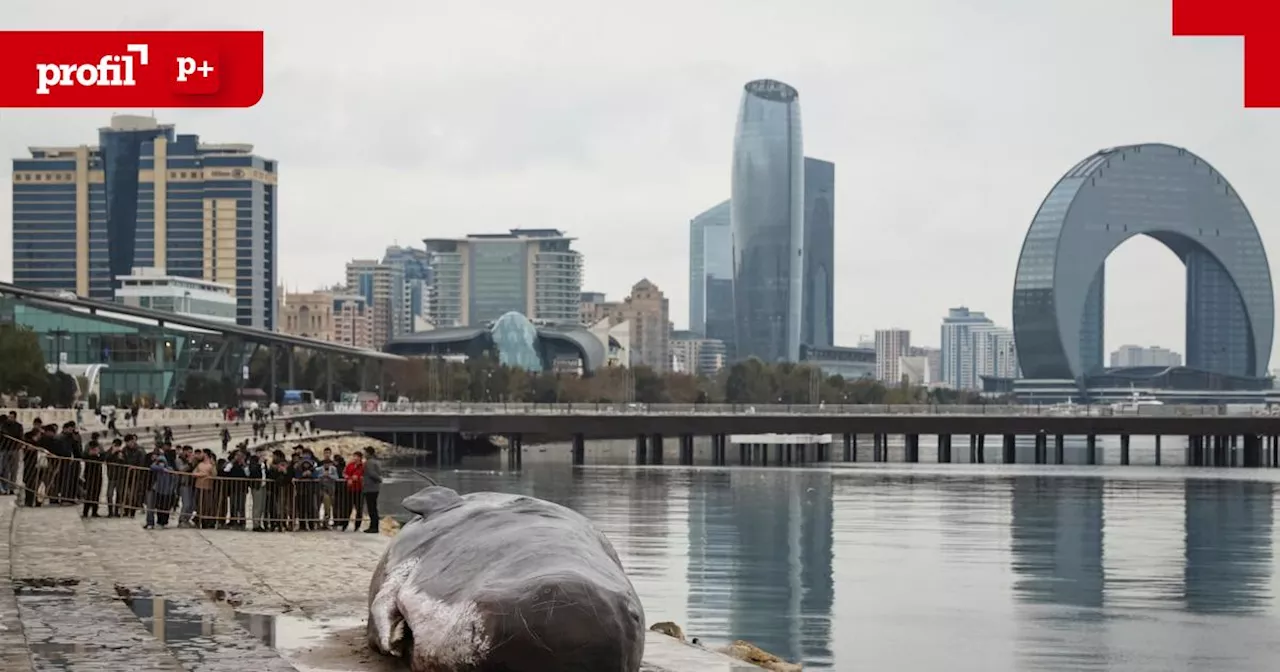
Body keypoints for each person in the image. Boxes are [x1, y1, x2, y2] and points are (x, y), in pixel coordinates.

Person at [340, 451, 364, 531]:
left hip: (359, 490)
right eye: (354, 456)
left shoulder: (363, 466)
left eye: (357, 456)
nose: (355, 458)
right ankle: (345, 524)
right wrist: (348, 478)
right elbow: (344, 473)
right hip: (349, 489)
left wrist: (357, 477)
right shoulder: (350, 465)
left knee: (359, 509)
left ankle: (357, 525)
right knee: (347, 508)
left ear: (360, 458)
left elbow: (361, 475)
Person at [361, 447, 381, 533]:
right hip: (375, 488)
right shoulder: (376, 461)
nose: (364, 454)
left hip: (370, 488)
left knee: (371, 508)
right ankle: (374, 526)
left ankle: (374, 527)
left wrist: (379, 479)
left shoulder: (369, 463)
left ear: (369, 453)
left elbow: (372, 473)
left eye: (365, 452)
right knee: (374, 507)